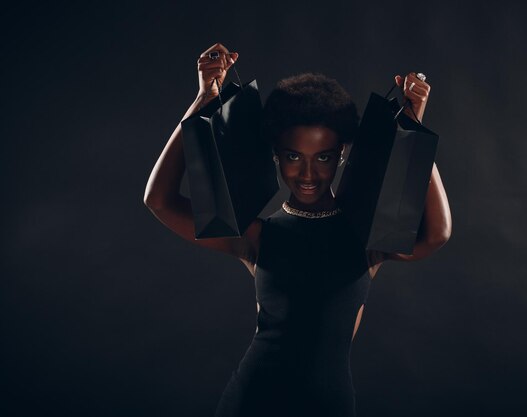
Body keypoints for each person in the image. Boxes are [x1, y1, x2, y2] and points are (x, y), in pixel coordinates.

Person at [143, 43, 452, 417]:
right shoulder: (257, 236)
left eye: (323, 157)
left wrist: (413, 133)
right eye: (293, 157)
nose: (307, 175)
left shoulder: (367, 239)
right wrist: (202, 101)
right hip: (252, 403)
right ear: (276, 155)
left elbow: (437, 234)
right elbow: (159, 200)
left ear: (340, 155)